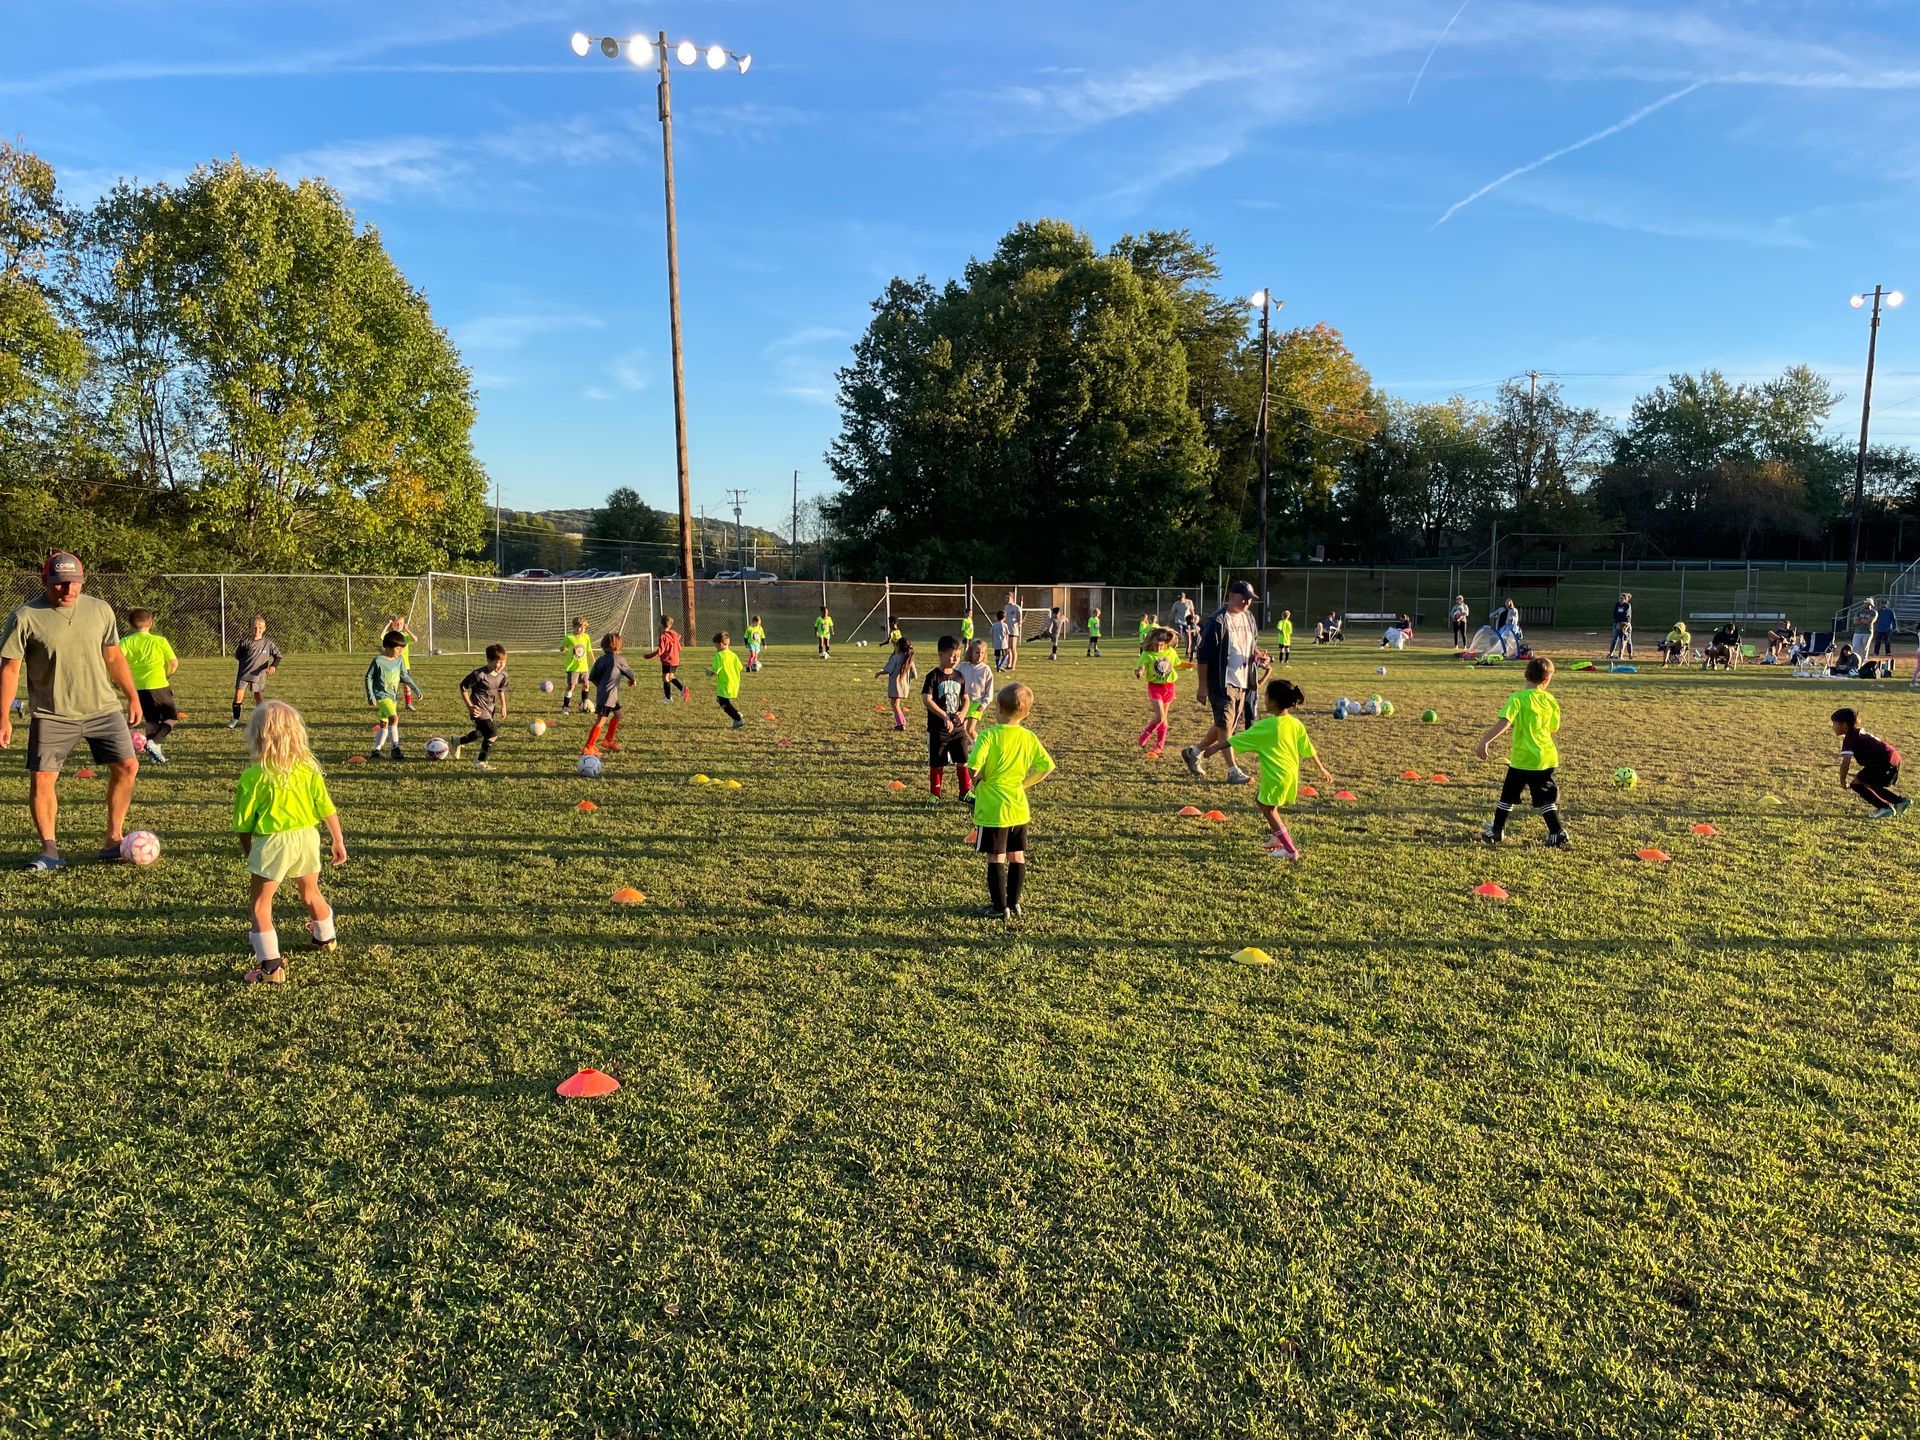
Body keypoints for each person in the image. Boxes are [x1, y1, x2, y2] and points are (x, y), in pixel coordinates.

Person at [0, 552, 144, 871]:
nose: (68, 590)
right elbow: (9, 668)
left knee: (127, 767)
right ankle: (49, 850)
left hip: (103, 708)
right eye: (60, 584)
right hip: (52, 713)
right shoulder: (25, 616)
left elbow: (113, 657)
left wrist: (132, 695)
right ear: (44, 581)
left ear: (83, 579)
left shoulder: (99, 610)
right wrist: (3, 717)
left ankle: (113, 839)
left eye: (74, 583)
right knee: (42, 779)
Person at [232, 700, 346, 984]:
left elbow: (243, 825)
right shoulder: (308, 768)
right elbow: (326, 805)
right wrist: (337, 839)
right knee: (310, 893)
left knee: (260, 905)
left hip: (273, 843)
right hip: (307, 837)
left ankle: (270, 969)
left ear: (257, 735)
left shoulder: (253, 776)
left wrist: (250, 852)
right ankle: (325, 939)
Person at [966, 681, 1054, 919]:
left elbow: (972, 766)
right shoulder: (1029, 737)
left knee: (996, 856)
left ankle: (997, 906)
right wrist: (1023, 784)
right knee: (1017, 855)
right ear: (1026, 713)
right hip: (1018, 807)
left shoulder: (987, 736)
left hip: (994, 809)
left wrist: (979, 778)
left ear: (998, 709)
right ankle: (1014, 903)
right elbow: (1047, 766)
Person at [1228, 677, 1335, 861]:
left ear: (1274, 702)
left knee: (1269, 810)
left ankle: (1290, 850)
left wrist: (1212, 747)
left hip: (1276, 775)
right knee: (1262, 802)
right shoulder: (1295, 723)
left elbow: (1235, 740)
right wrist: (1321, 768)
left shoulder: (1268, 725)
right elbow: (1308, 749)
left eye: (1266, 696)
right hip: (1288, 774)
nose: (1264, 700)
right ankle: (1277, 837)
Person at [1475, 656, 1569, 847]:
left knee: (1507, 796)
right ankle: (1556, 832)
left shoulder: (1517, 699)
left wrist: (1485, 740)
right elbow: (1554, 727)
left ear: (1525, 674)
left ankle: (1497, 831)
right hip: (1545, 757)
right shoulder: (1550, 700)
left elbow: (1505, 721)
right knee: (1543, 798)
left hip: (1523, 758)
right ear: (1546, 680)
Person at [1182, 579, 1268, 786]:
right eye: (1244, 598)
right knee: (1225, 725)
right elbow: (1203, 655)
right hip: (1221, 682)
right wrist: (1202, 686)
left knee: (1225, 725)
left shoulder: (1249, 618)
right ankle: (1232, 770)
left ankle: (1193, 752)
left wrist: (1257, 656)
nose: (1248, 602)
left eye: (1250, 599)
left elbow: (1250, 645)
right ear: (1231, 596)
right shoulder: (1218, 621)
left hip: (1243, 681)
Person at [120, 608, 180, 764]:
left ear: (130, 625)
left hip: (138, 688)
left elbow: (118, 662)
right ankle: (154, 742)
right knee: (171, 718)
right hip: (158, 684)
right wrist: (166, 674)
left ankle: (154, 754)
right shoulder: (159, 641)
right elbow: (173, 663)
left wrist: (118, 680)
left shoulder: (126, 641)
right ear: (150, 623)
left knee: (152, 720)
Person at [921, 636, 973, 801]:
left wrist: (963, 713)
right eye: (951, 655)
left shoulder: (960, 676)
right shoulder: (933, 676)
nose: (955, 658)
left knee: (962, 760)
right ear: (940, 655)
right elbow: (926, 699)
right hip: (938, 729)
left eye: (958, 654)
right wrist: (943, 715)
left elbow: (966, 699)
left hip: (958, 729)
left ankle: (965, 792)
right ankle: (935, 795)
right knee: (937, 763)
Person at [1832, 707, 1909, 818]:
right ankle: (1900, 802)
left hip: (1883, 761)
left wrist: (1842, 780)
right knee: (1870, 783)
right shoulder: (1858, 733)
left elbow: (1845, 762)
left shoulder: (1850, 738)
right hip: (1892, 758)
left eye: (1834, 723)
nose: (1832, 727)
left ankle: (1885, 808)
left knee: (1857, 784)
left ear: (1844, 725)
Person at [364, 629, 423, 760]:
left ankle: (376, 750)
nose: (400, 652)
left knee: (384, 724)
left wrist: (416, 689)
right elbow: (368, 677)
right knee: (394, 719)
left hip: (393, 697)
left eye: (402, 649)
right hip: (382, 696)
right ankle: (395, 748)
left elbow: (404, 676)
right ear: (387, 647)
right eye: (398, 649)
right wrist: (371, 696)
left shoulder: (399, 659)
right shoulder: (378, 661)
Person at [455, 644, 510, 771]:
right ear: (489, 661)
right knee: (492, 734)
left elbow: (501, 691)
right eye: (498, 662)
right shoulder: (479, 674)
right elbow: (463, 687)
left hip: (491, 709)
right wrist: (470, 706)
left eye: (504, 662)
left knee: (481, 733)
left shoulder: (503, 675)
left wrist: (503, 706)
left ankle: (457, 742)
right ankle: (480, 762)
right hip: (478, 709)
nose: (501, 665)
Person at [1132, 625, 1183, 757]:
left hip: (1169, 687)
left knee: (1164, 719)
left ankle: (1159, 746)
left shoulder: (1171, 651)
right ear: (1151, 642)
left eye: (1161, 645)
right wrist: (1139, 672)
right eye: (1156, 645)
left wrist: (1192, 665)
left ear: (1166, 643)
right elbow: (1138, 670)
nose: (1159, 648)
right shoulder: (1147, 654)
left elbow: (1177, 663)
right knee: (1159, 717)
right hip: (1155, 687)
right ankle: (1146, 734)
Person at [583, 634, 636, 755]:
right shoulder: (619, 659)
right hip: (608, 697)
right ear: (619, 645)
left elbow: (593, 677)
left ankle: (608, 740)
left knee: (619, 714)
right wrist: (633, 680)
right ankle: (588, 747)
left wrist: (602, 686)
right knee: (601, 721)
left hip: (608, 695)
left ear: (603, 645)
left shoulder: (600, 660)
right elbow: (629, 672)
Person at [229, 615, 282, 727]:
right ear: (250, 628)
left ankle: (262, 720)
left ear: (264, 629)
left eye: (260, 628)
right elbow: (238, 656)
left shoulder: (268, 643)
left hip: (259, 675)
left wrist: (273, 666)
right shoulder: (245, 642)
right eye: (254, 628)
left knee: (259, 698)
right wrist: (242, 650)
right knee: (238, 697)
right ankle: (235, 719)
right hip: (244, 674)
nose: (257, 630)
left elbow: (278, 656)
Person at [877, 635, 918, 731]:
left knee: (895, 705)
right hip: (904, 687)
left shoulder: (895, 658)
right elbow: (914, 675)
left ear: (898, 647)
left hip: (896, 686)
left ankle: (901, 723)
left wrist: (879, 673)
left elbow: (888, 670)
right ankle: (902, 722)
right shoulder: (909, 660)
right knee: (895, 704)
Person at [957, 638, 994, 744]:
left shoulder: (986, 670)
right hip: (963, 702)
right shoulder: (963, 667)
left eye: (982, 653)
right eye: (977, 652)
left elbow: (989, 689)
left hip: (976, 704)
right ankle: (962, 748)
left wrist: (985, 704)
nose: (980, 655)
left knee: (970, 729)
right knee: (961, 729)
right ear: (971, 653)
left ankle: (978, 747)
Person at [644, 617, 688, 704]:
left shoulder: (663, 637)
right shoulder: (675, 634)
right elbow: (679, 647)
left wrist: (650, 656)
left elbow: (661, 650)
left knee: (665, 677)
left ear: (661, 625)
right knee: (670, 677)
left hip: (668, 660)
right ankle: (683, 690)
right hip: (675, 660)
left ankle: (668, 698)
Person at [710, 631, 747, 728]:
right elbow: (740, 667)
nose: (716, 648)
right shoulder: (733, 655)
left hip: (724, 683)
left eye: (716, 646)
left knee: (723, 702)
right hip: (734, 683)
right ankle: (737, 714)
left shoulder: (719, 656)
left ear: (721, 644)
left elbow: (715, 670)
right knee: (720, 699)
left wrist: (709, 673)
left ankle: (738, 718)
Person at [560, 617, 594, 715]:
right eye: (580, 627)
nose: (582, 630)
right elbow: (561, 647)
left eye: (584, 628)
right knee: (571, 686)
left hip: (584, 667)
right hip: (573, 667)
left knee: (586, 685)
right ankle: (565, 706)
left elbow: (589, 649)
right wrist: (563, 649)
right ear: (574, 627)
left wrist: (594, 660)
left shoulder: (586, 637)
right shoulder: (569, 637)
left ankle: (585, 704)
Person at [385, 613, 419, 710]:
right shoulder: (390, 636)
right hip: (393, 665)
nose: (399, 625)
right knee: (392, 685)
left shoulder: (405, 635)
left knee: (406, 685)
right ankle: (391, 704)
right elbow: (381, 636)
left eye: (401, 623)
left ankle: (408, 704)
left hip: (405, 666)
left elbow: (415, 639)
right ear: (393, 625)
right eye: (397, 623)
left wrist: (406, 629)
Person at [1001, 592, 1024, 670]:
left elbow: (1020, 619)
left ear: (1012, 598)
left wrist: (1019, 622)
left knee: (1013, 648)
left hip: (1014, 630)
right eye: (1006, 598)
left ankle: (1013, 666)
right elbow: (1004, 618)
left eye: (1008, 598)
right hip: (1007, 630)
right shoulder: (1006, 607)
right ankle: (1008, 664)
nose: (1007, 600)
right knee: (1007, 648)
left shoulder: (1017, 608)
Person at [1609, 592, 1634, 660]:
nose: (1620, 599)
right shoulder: (1617, 605)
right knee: (1614, 639)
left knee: (1627, 640)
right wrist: (1617, 620)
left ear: (1625, 599)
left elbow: (1626, 615)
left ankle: (1630, 654)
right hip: (1617, 623)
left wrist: (1621, 621)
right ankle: (1610, 653)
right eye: (1620, 598)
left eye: (1622, 598)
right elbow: (1614, 614)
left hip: (1625, 624)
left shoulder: (1627, 605)